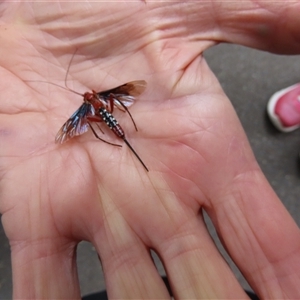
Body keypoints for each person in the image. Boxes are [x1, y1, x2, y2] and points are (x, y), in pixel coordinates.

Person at [0, 2, 300, 299]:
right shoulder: (101, 103)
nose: (91, 97)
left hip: (111, 124)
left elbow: (119, 98)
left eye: (91, 96)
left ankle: (115, 134)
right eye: (92, 98)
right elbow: (114, 102)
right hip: (113, 124)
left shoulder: (95, 105)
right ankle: (116, 133)